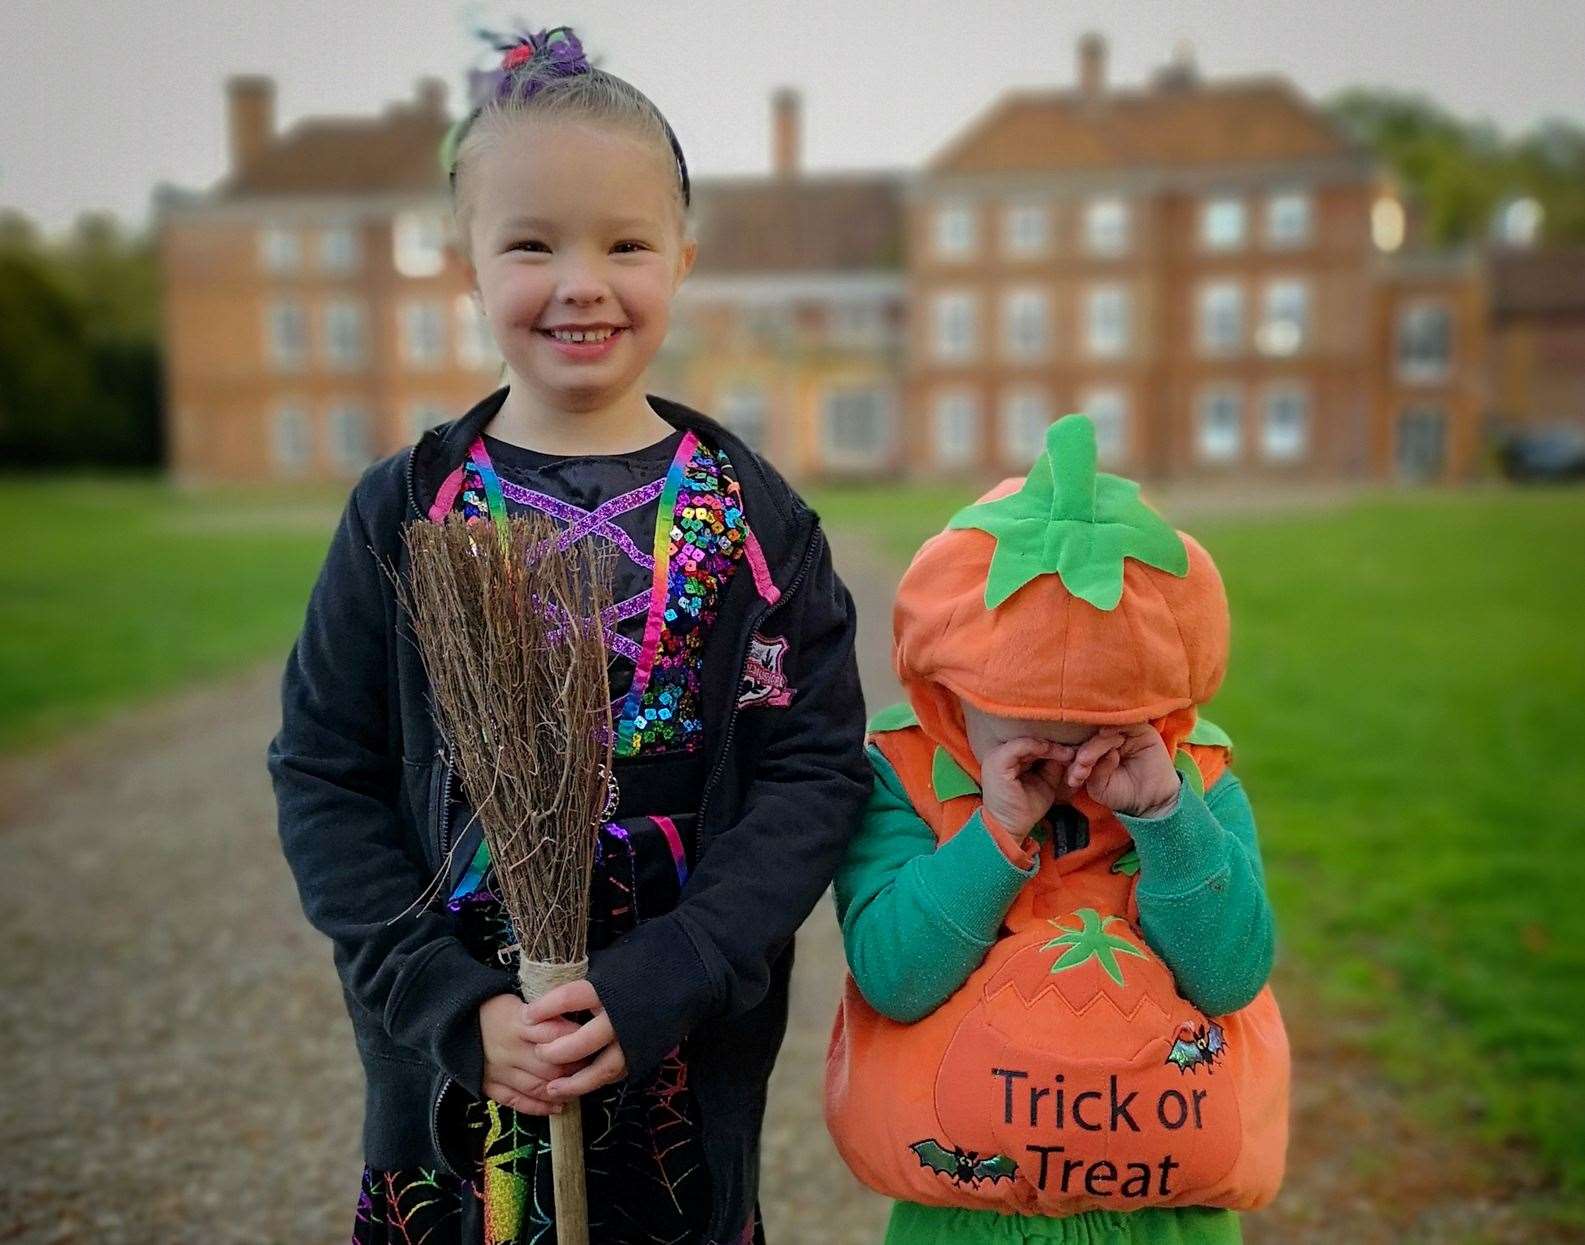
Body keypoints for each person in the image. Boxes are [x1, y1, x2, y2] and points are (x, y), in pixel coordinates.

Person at [267, 28, 869, 1244]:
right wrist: (444, 1001)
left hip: (679, 1046)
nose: (580, 281)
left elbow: (813, 771)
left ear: (685, 258)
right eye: (531, 243)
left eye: (624, 243)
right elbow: (322, 771)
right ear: (468, 267)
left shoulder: (756, 517)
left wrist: (680, 969)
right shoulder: (408, 512)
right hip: (460, 1049)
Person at [825, 415, 1290, 1244]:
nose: (1070, 771)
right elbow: (893, 976)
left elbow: (1228, 976)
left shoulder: (1196, 782)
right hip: (961, 1222)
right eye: (1028, 735)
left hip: (1166, 1222)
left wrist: (1162, 815)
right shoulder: (902, 776)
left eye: (1103, 732)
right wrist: (995, 831)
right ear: (948, 696)